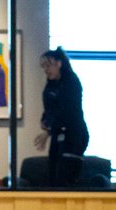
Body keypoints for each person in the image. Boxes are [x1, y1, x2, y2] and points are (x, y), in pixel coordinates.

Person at [34, 47, 89, 186]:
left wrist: (48, 131)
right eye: (43, 67)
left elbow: (67, 111)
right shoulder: (50, 86)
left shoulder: (72, 82)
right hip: (58, 133)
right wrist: (45, 122)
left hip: (75, 135)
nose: (46, 70)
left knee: (65, 177)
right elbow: (49, 109)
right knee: (52, 175)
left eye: (48, 65)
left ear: (59, 63)